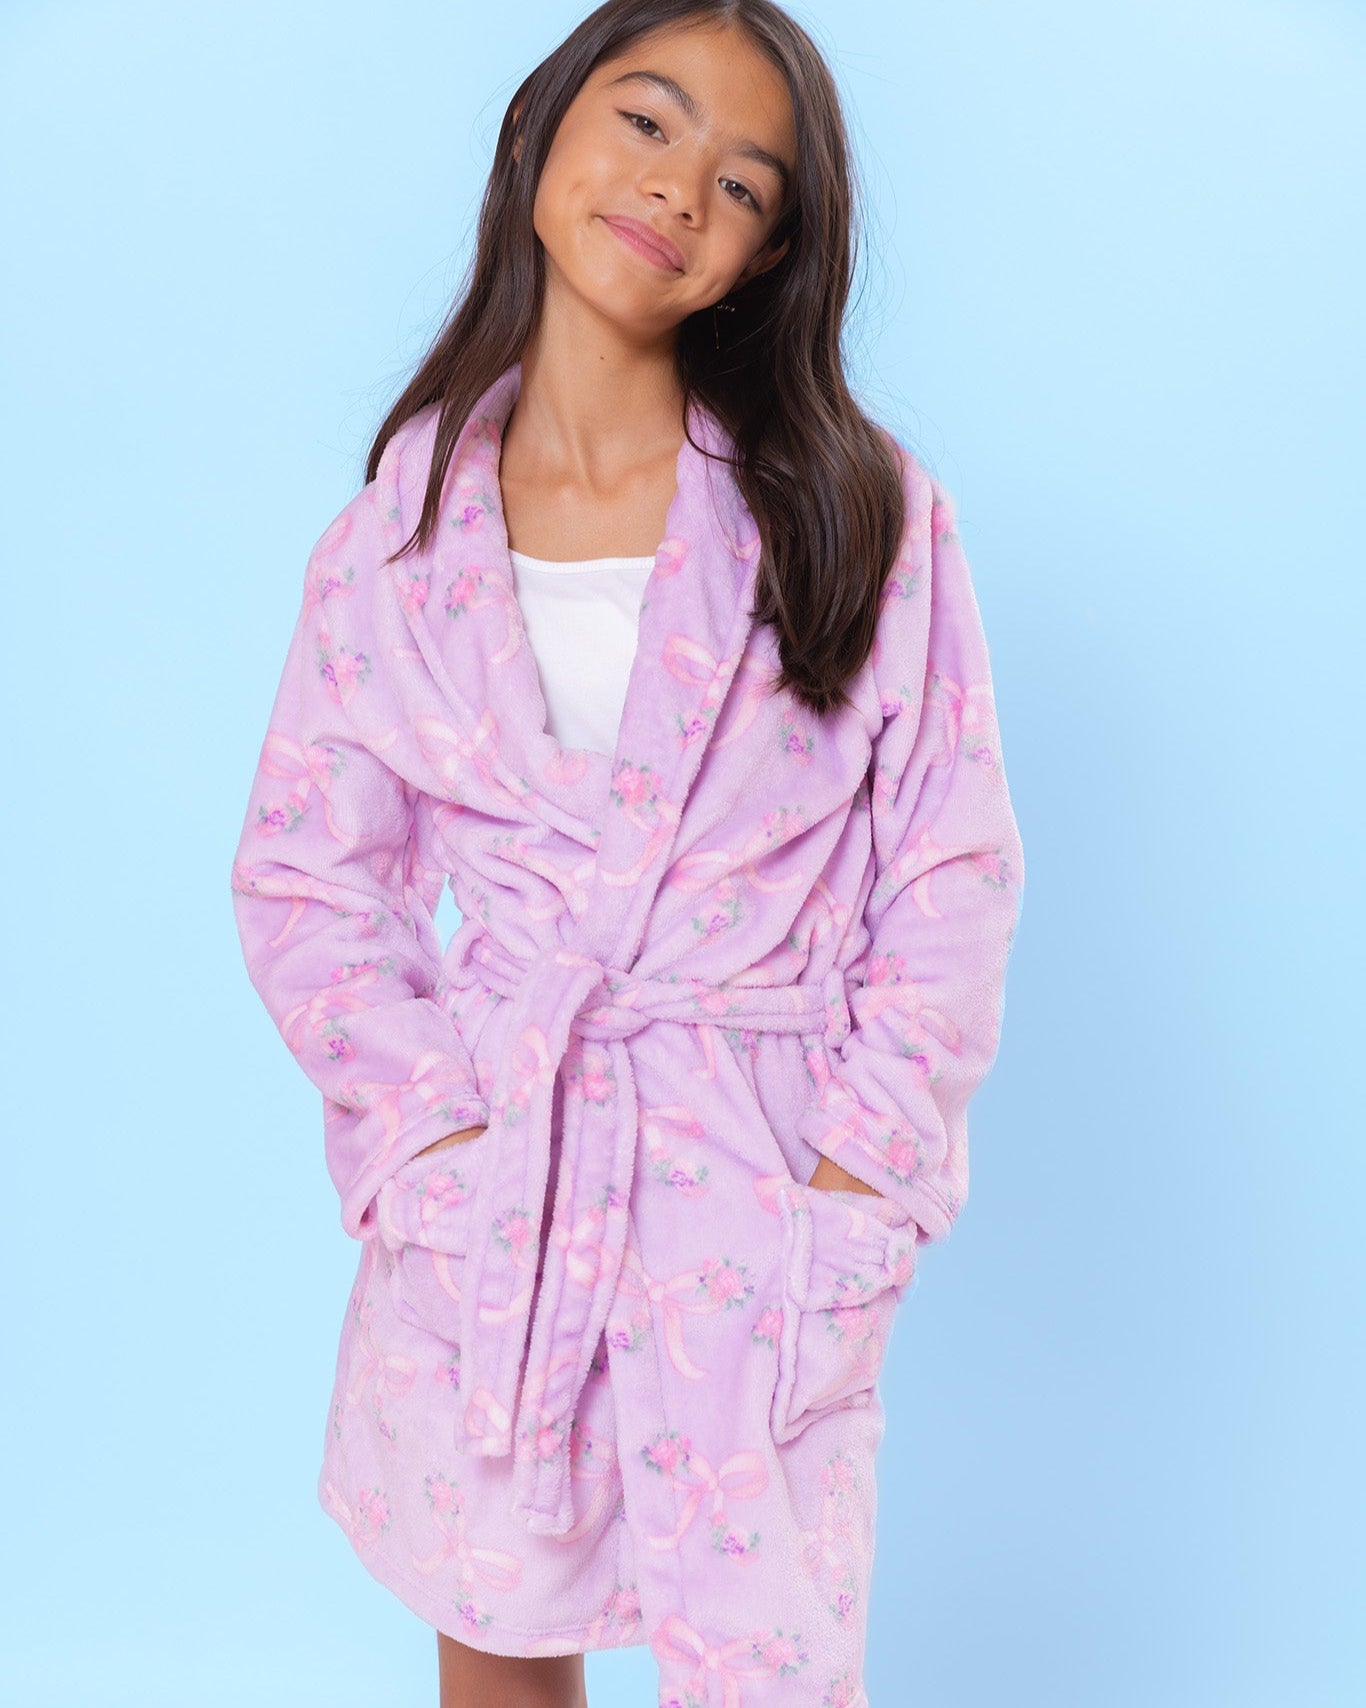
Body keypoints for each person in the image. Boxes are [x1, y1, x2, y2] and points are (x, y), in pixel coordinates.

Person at [229, 1, 1025, 1703]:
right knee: (501, 1639)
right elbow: (310, 881)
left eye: (741, 184)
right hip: (506, 1181)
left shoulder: (854, 510)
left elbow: (948, 871)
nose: (676, 190)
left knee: (765, 1661)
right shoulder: (393, 542)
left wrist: (858, 1180)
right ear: (542, 127)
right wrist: (430, 1141)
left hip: (756, 1186)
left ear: (763, 257)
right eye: (648, 123)